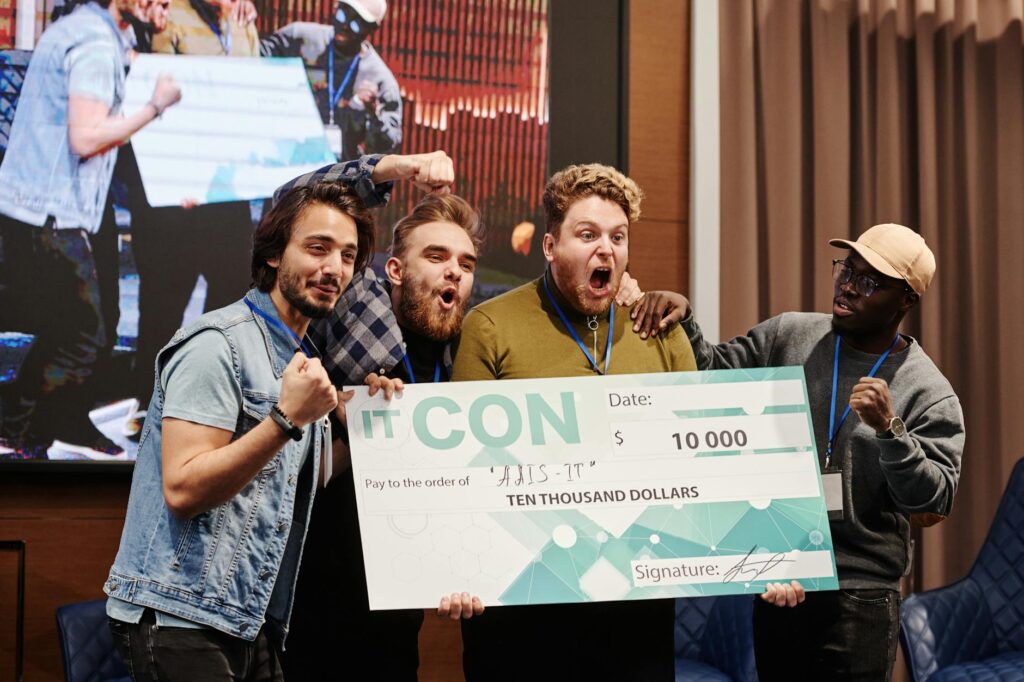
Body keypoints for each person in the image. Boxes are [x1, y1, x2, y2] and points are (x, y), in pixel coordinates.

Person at [634, 223, 965, 681]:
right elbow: (711, 376)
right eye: (846, 269)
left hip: (860, 595)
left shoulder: (928, 391)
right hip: (782, 577)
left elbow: (933, 501)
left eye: (867, 281)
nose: (847, 285)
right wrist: (685, 318)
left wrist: (891, 431)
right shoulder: (789, 335)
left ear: (906, 299)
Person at [451, 163, 697, 682]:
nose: (605, 249)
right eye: (587, 235)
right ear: (549, 247)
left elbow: (694, 461)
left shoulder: (661, 332)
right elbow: (464, 468)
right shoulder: (491, 326)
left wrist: (767, 559)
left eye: (618, 237)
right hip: (523, 604)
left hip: (635, 606)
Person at [284, 191, 484, 681]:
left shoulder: (472, 367)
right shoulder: (340, 343)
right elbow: (291, 479)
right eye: (435, 257)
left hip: (396, 626)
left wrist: (462, 571)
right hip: (313, 615)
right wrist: (364, 426)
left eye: (466, 262)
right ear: (394, 271)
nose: (453, 271)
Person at [0, 0, 181, 457]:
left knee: (78, 327)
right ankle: (14, 427)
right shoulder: (97, 44)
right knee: (84, 336)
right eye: (159, 2)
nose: (165, 11)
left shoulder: (82, 29)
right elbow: (85, 137)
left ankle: (55, 424)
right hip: (53, 214)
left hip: (40, 207)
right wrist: (155, 107)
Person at [128, 0, 262, 407]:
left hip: (227, 190)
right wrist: (175, 176)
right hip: (179, 199)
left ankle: (204, 398)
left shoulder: (243, 22)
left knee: (230, 298)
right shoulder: (170, 19)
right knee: (163, 305)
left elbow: (254, 92)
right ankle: (149, 405)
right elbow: (158, 105)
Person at [262, 0, 401, 160]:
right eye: (342, 14)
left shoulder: (380, 80)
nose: (345, 26)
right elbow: (250, 59)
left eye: (357, 23)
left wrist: (374, 113)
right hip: (288, 162)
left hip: (339, 177)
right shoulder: (300, 38)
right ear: (335, 7)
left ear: (373, 28)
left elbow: (387, 149)